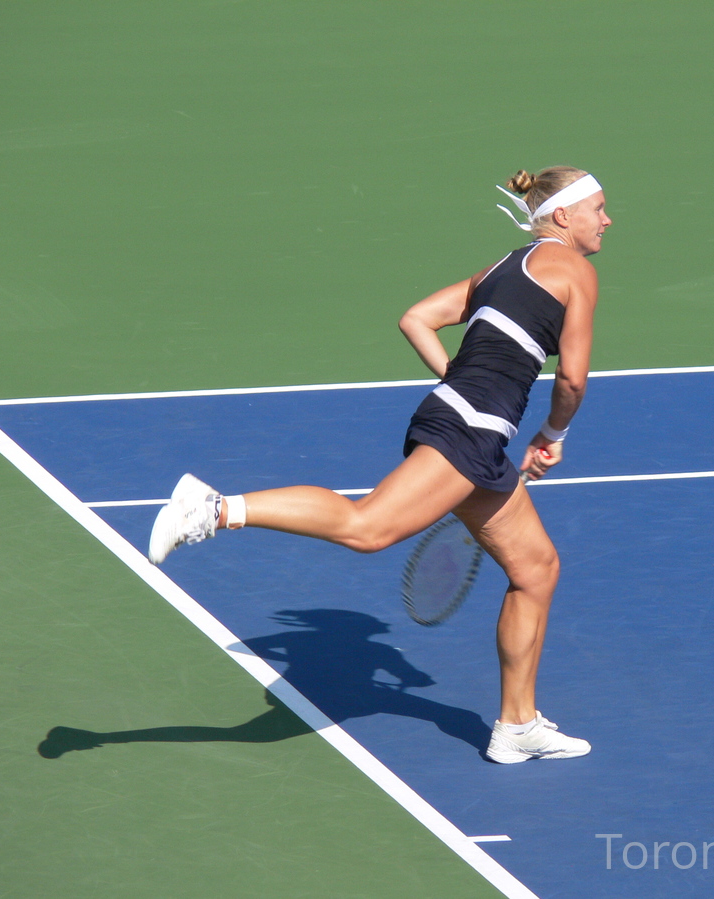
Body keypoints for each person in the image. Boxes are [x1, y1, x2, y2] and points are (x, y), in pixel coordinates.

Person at [148, 165, 611, 763]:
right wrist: (553, 431)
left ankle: (518, 725)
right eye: (598, 208)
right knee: (368, 529)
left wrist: (460, 383)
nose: (606, 220)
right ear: (563, 215)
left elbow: (416, 318)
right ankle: (213, 510)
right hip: (470, 429)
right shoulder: (576, 270)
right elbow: (571, 378)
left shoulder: (501, 268)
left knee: (537, 570)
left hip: (472, 430)